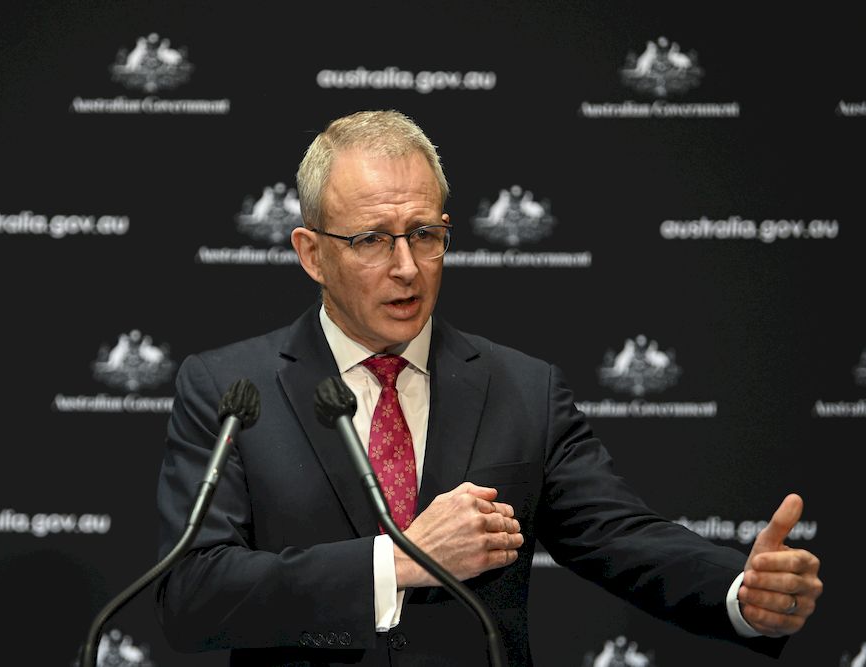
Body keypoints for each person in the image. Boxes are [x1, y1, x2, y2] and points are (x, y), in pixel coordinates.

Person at [155, 110, 822, 665]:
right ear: (311, 252)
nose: (407, 267)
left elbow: (619, 535)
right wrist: (398, 559)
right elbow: (191, 594)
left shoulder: (523, 389)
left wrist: (739, 591)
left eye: (425, 234)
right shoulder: (230, 387)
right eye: (371, 241)